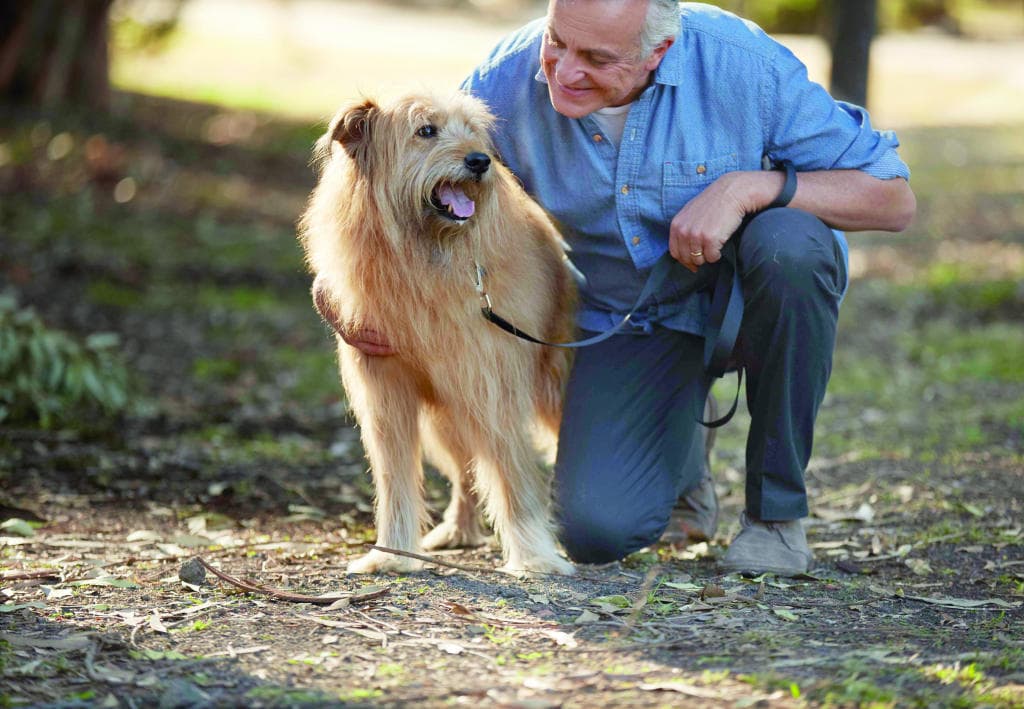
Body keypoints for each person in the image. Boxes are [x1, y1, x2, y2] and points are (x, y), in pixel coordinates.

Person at [461, 0, 916, 576]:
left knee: (791, 244)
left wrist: (747, 189)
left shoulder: (741, 63)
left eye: (597, 58)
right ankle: (683, 454)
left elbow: (891, 198)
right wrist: (363, 304)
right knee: (596, 530)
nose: (565, 71)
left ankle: (775, 518)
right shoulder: (502, 78)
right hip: (629, 315)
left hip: (752, 298)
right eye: (558, 42)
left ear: (659, 51)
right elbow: (422, 171)